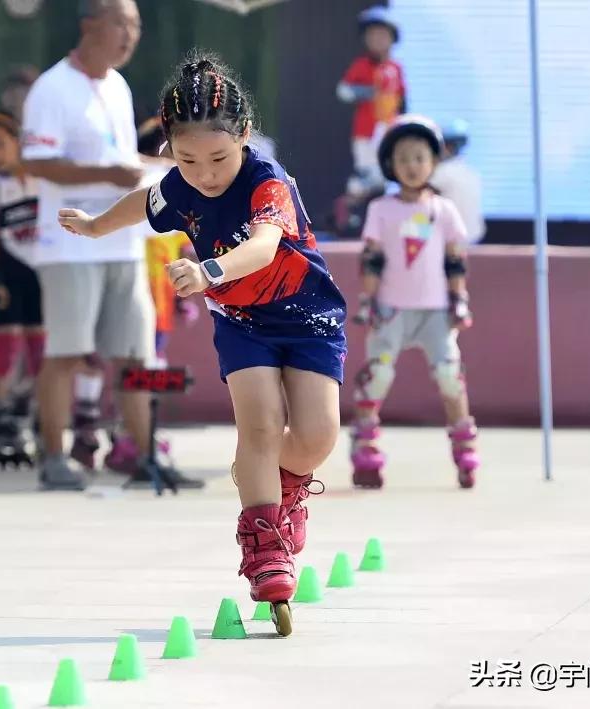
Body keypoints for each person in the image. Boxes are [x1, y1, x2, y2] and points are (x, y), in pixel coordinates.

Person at [59, 54, 346, 635]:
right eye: (187, 159)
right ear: (169, 149)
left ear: (243, 136)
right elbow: (144, 202)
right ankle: (264, 545)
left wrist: (209, 270)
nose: (205, 173)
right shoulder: (178, 187)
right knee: (260, 428)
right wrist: (93, 226)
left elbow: (265, 246)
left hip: (308, 316)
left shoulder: (267, 180)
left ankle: (282, 482)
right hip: (242, 321)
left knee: (315, 438)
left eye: (217, 157)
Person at [21, 0, 200, 491]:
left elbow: (120, 159)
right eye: (121, 23)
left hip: (121, 243)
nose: (130, 35)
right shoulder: (53, 88)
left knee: (137, 354)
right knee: (67, 353)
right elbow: (37, 163)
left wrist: (165, 167)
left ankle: (145, 457)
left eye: (136, 26)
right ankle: (54, 458)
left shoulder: (117, 87)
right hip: (69, 244)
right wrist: (109, 174)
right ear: (89, 24)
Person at [350, 114, 479, 490]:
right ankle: (365, 445)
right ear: (390, 164)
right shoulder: (381, 209)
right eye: (404, 158)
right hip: (392, 309)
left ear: (434, 162)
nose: (412, 166)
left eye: (420, 157)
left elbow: (455, 259)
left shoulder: (444, 210)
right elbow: (372, 258)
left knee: (449, 377)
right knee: (378, 376)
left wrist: (459, 298)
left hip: (435, 311)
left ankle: (464, 446)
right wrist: (368, 300)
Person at [102, 116, 196, 475]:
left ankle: (139, 433)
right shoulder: (146, 190)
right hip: (136, 297)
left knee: (151, 366)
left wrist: (183, 300)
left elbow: (185, 253)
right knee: (133, 366)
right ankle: (126, 433)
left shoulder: (176, 197)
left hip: (161, 305)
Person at [0, 110, 43, 468]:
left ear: (18, 143)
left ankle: (31, 413)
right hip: (6, 274)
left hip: (40, 274)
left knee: (40, 349)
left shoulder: (43, 181)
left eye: (0, 144)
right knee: (6, 345)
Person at [337, 6, 406, 196]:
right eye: (372, 35)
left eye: (382, 35)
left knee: (388, 172)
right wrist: (367, 92)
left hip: (389, 130)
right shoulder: (361, 66)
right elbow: (343, 91)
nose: (377, 40)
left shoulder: (396, 68)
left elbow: (401, 99)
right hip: (366, 132)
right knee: (365, 177)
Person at [430, 118, 485, 244]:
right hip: (473, 240)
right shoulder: (472, 173)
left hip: (448, 244)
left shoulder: (439, 174)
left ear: (446, 146)